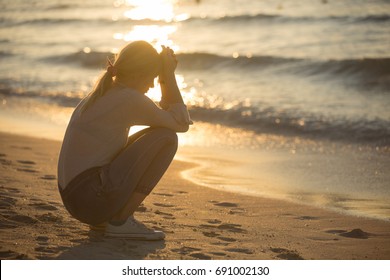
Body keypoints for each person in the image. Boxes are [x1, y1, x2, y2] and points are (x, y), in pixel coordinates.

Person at [57, 41, 192, 240]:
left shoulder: (101, 94)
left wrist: (163, 74)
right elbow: (181, 124)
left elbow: (170, 120)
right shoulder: (129, 99)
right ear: (138, 75)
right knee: (166, 138)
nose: (152, 85)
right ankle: (120, 220)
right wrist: (168, 76)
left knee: (157, 134)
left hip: (77, 199)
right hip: (90, 199)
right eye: (152, 78)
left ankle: (110, 220)